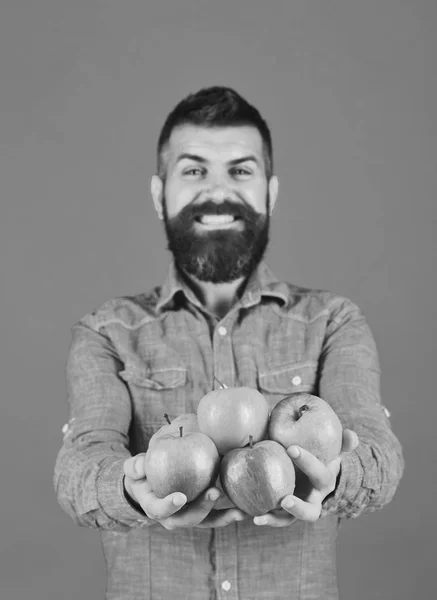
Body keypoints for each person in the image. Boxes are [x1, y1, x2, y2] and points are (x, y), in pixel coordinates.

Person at [54, 86, 404, 600]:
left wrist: (336, 474)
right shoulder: (106, 332)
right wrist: (129, 486)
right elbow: (79, 467)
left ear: (271, 193)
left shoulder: (332, 322)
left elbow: (379, 455)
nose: (218, 191)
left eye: (240, 170)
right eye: (194, 170)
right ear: (159, 194)